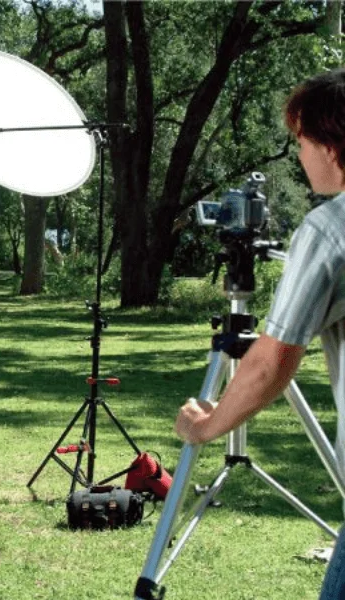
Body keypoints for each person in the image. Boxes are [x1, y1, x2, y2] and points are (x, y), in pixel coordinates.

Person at [173, 68, 345, 599]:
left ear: (330, 143)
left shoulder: (328, 228)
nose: (299, 155)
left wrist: (208, 426)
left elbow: (274, 359)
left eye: (301, 140)